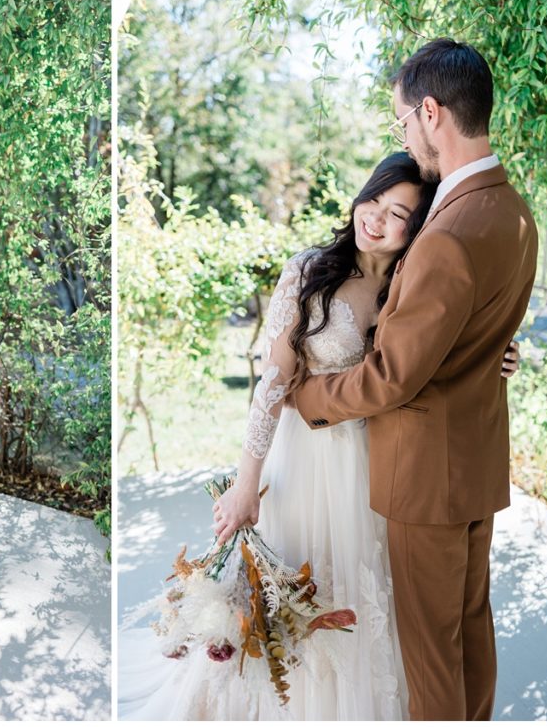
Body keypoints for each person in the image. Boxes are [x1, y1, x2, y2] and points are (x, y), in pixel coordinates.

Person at [119, 151, 522, 720]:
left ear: (418, 227)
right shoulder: (309, 270)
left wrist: (499, 353)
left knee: (366, 598)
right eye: (374, 200)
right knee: (297, 593)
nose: (376, 219)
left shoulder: (407, 287)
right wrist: (247, 482)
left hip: (376, 463)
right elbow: (273, 383)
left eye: (398, 214)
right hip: (303, 462)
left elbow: (439, 351)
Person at [290, 39, 538, 720]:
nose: (403, 135)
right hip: (477, 466)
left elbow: (393, 377)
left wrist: (308, 398)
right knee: (469, 633)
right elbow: (477, 334)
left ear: (430, 112)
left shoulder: (449, 233)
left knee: (429, 653)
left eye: (402, 121)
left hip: (427, 477)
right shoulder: (515, 214)